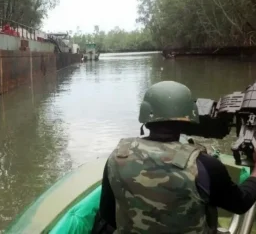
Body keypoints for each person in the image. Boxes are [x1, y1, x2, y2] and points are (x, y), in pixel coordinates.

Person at [91, 81, 256, 234]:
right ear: (188, 121)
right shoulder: (205, 165)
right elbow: (240, 203)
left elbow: (107, 214)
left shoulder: (119, 156)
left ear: (146, 119)